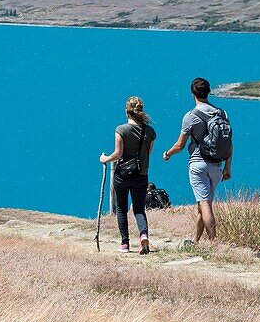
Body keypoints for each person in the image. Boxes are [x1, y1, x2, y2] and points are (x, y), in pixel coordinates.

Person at [162, 77, 233, 243]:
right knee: (203, 204)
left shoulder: (190, 116)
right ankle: (195, 241)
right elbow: (229, 143)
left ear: (192, 94)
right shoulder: (222, 113)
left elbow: (180, 145)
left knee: (205, 205)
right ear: (209, 92)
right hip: (217, 165)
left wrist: (167, 153)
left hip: (198, 164)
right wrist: (228, 167)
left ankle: (214, 243)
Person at [100, 96, 156, 254]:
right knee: (139, 209)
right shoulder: (150, 131)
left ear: (127, 111)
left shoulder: (121, 130)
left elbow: (118, 154)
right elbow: (149, 151)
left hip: (122, 175)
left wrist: (105, 158)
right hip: (141, 174)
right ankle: (143, 234)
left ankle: (125, 243)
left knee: (121, 209)